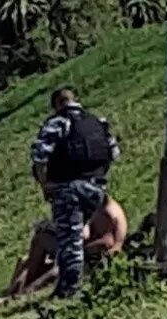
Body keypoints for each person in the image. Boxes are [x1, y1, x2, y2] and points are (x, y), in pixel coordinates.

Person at [30, 87, 121, 298]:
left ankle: (68, 291)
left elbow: (39, 157)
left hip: (68, 188)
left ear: (56, 105)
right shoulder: (98, 122)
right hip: (97, 188)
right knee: (79, 235)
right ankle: (85, 280)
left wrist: (46, 185)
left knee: (70, 241)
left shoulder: (58, 122)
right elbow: (114, 153)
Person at [0, 196, 128, 313]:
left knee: (56, 270)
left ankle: (14, 299)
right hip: (80, 249)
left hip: (92, 259)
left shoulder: (110, 213)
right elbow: (86, 232)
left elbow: (110, 245)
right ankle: (13, 292)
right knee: (41, 239)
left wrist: (82, 246)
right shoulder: (95, 207)